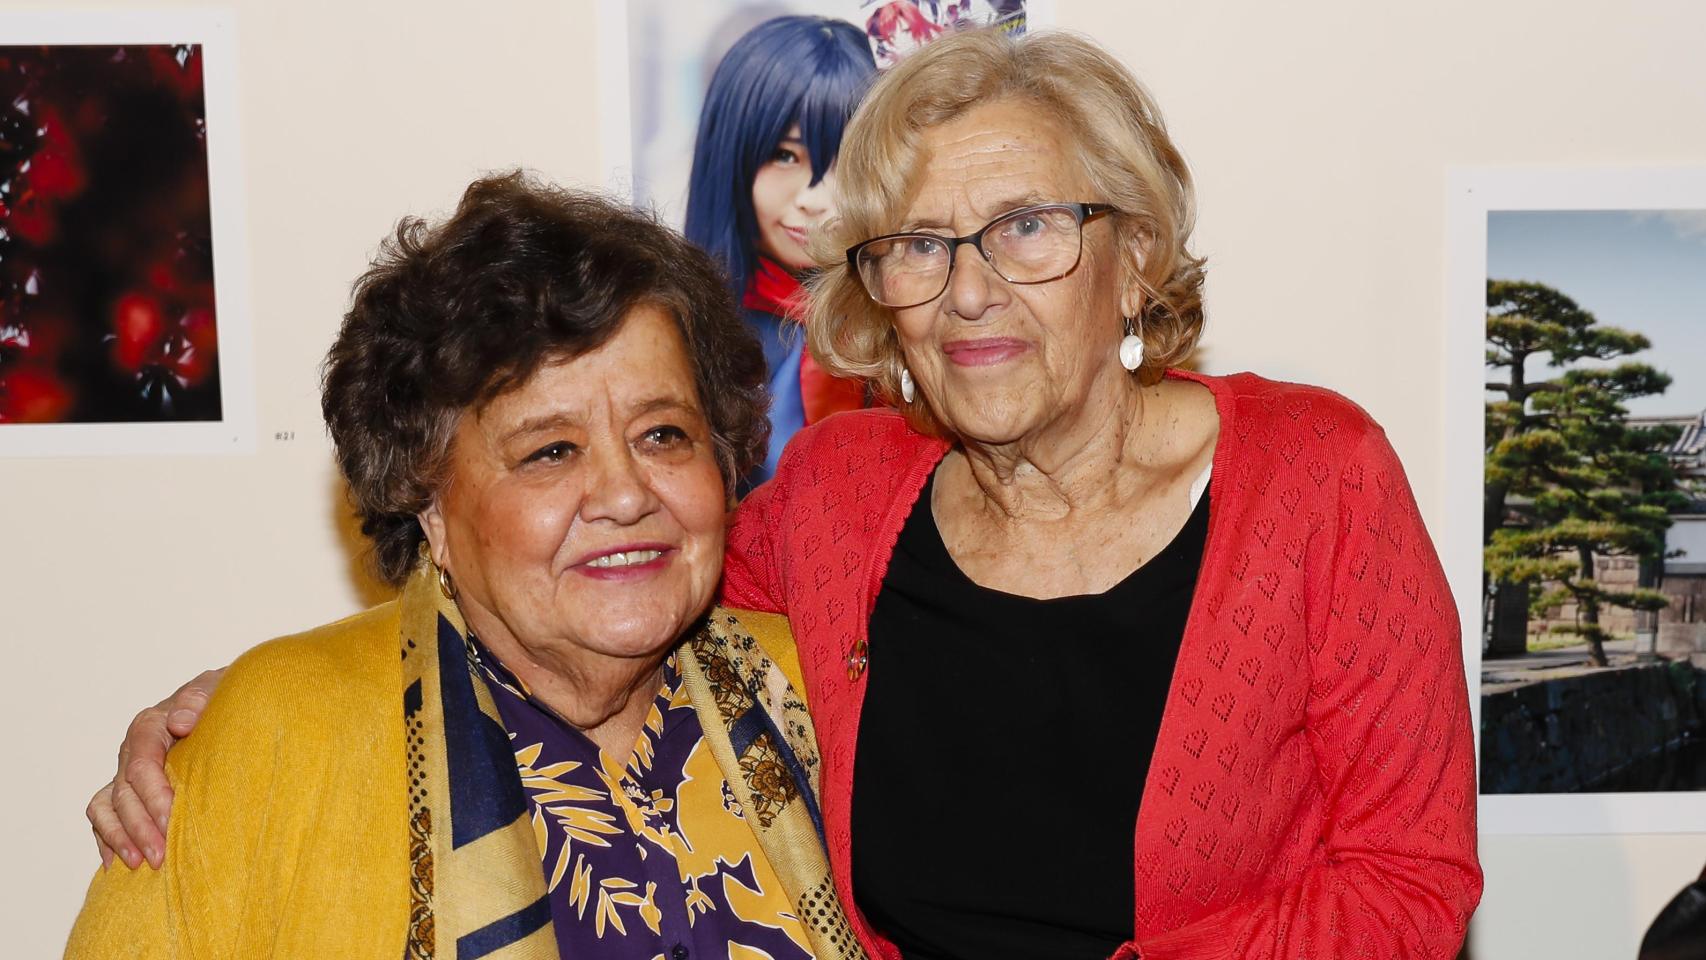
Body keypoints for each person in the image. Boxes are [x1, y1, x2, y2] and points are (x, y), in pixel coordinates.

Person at [91, 29, 1483, 959]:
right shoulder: (839, 500)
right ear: (876, 293)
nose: (971, 287)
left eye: (1028, 227)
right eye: (918, 245)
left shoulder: (1314, 480)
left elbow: (1411, 885)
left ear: (1135, 258)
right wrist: (240, 706)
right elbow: (586, 580)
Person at [67, 173, 862, 960]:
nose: (625, 495)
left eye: (663, 436)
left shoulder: (830, 695)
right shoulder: (271, 742)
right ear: (429, 502)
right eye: (551, 451)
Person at [683, 15, 875, 485]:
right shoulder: (682, 331)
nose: (814, 199)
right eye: (786, 156)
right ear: (732, 155)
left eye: (843, 161)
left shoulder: (903, 322)